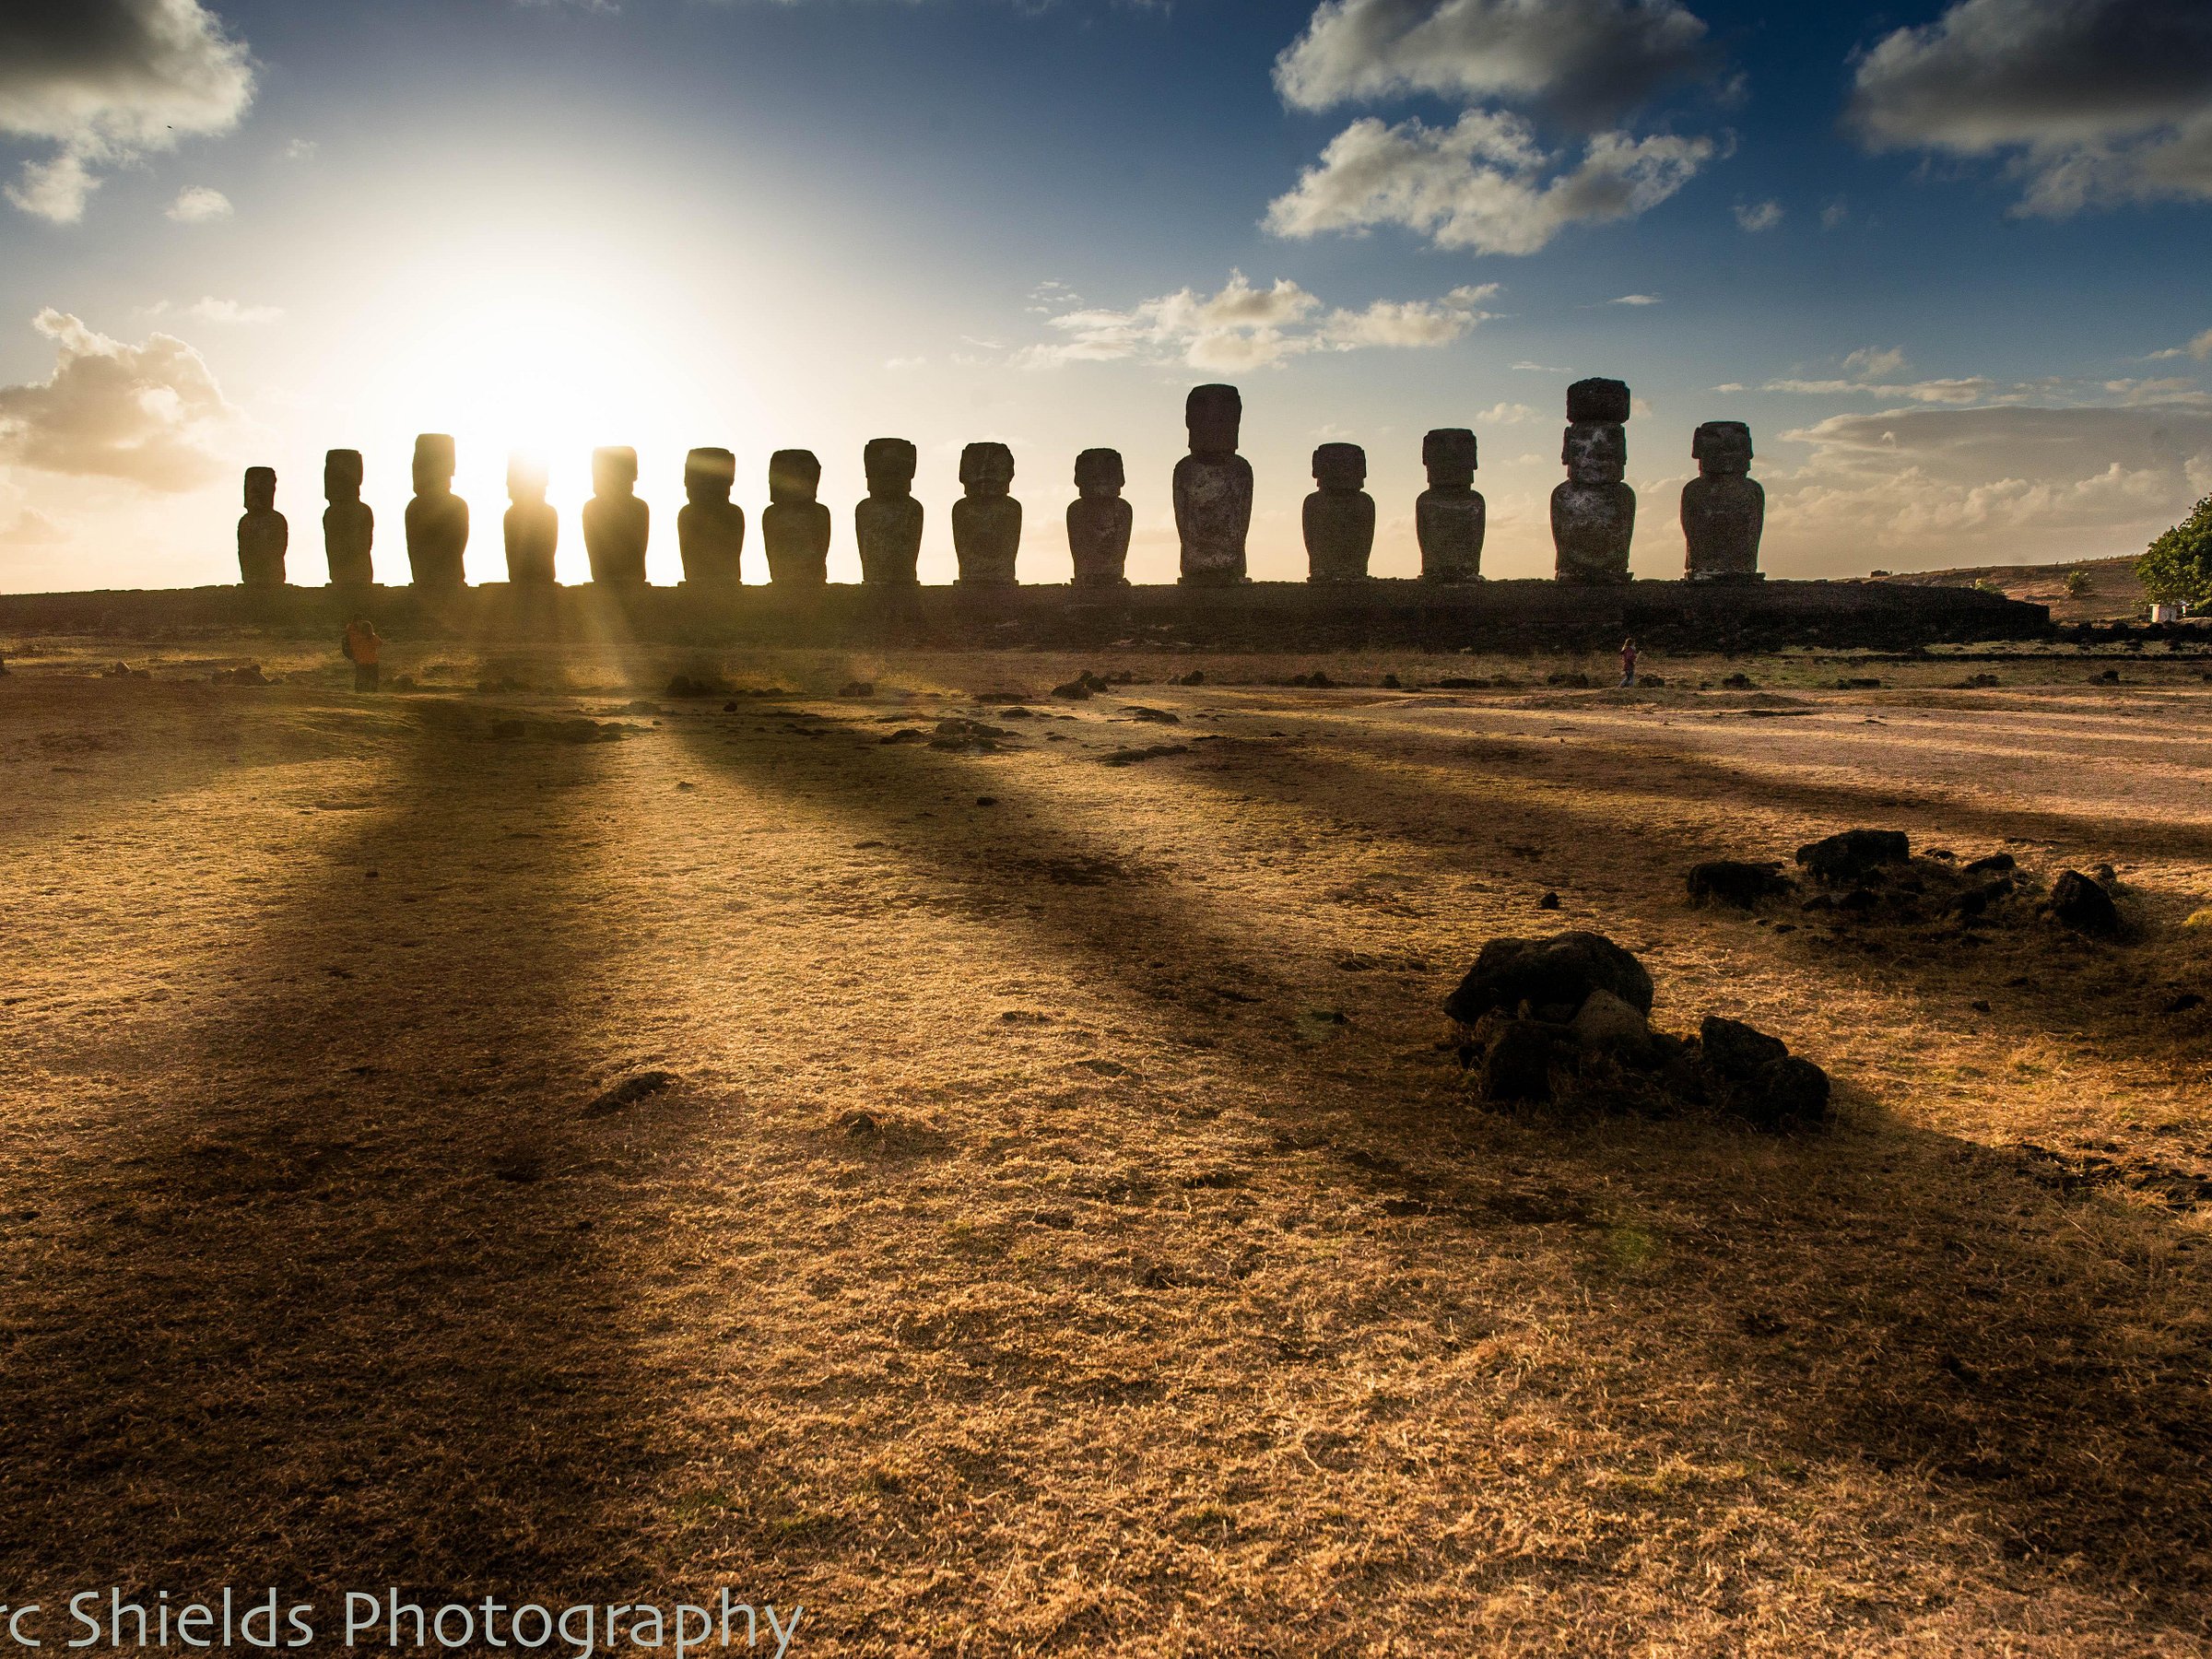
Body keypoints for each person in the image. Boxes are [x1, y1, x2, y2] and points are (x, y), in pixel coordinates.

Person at [343, 617, 382, 692]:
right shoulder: (373, 638)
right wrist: (373, 634)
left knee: (360, 680)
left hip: (361, 662)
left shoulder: (357, 638)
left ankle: (359, 693)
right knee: (373, 681)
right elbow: (380, 643)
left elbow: (352, 645)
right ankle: (373, 693)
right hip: (373, 662)